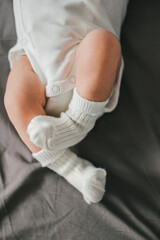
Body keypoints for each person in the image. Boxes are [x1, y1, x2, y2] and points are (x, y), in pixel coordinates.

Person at [4, 0, 129, 204]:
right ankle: (71, 168)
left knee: (104, 42)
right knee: (15, 99)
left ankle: (76, 124)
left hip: (85, 45)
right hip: (33, 60)